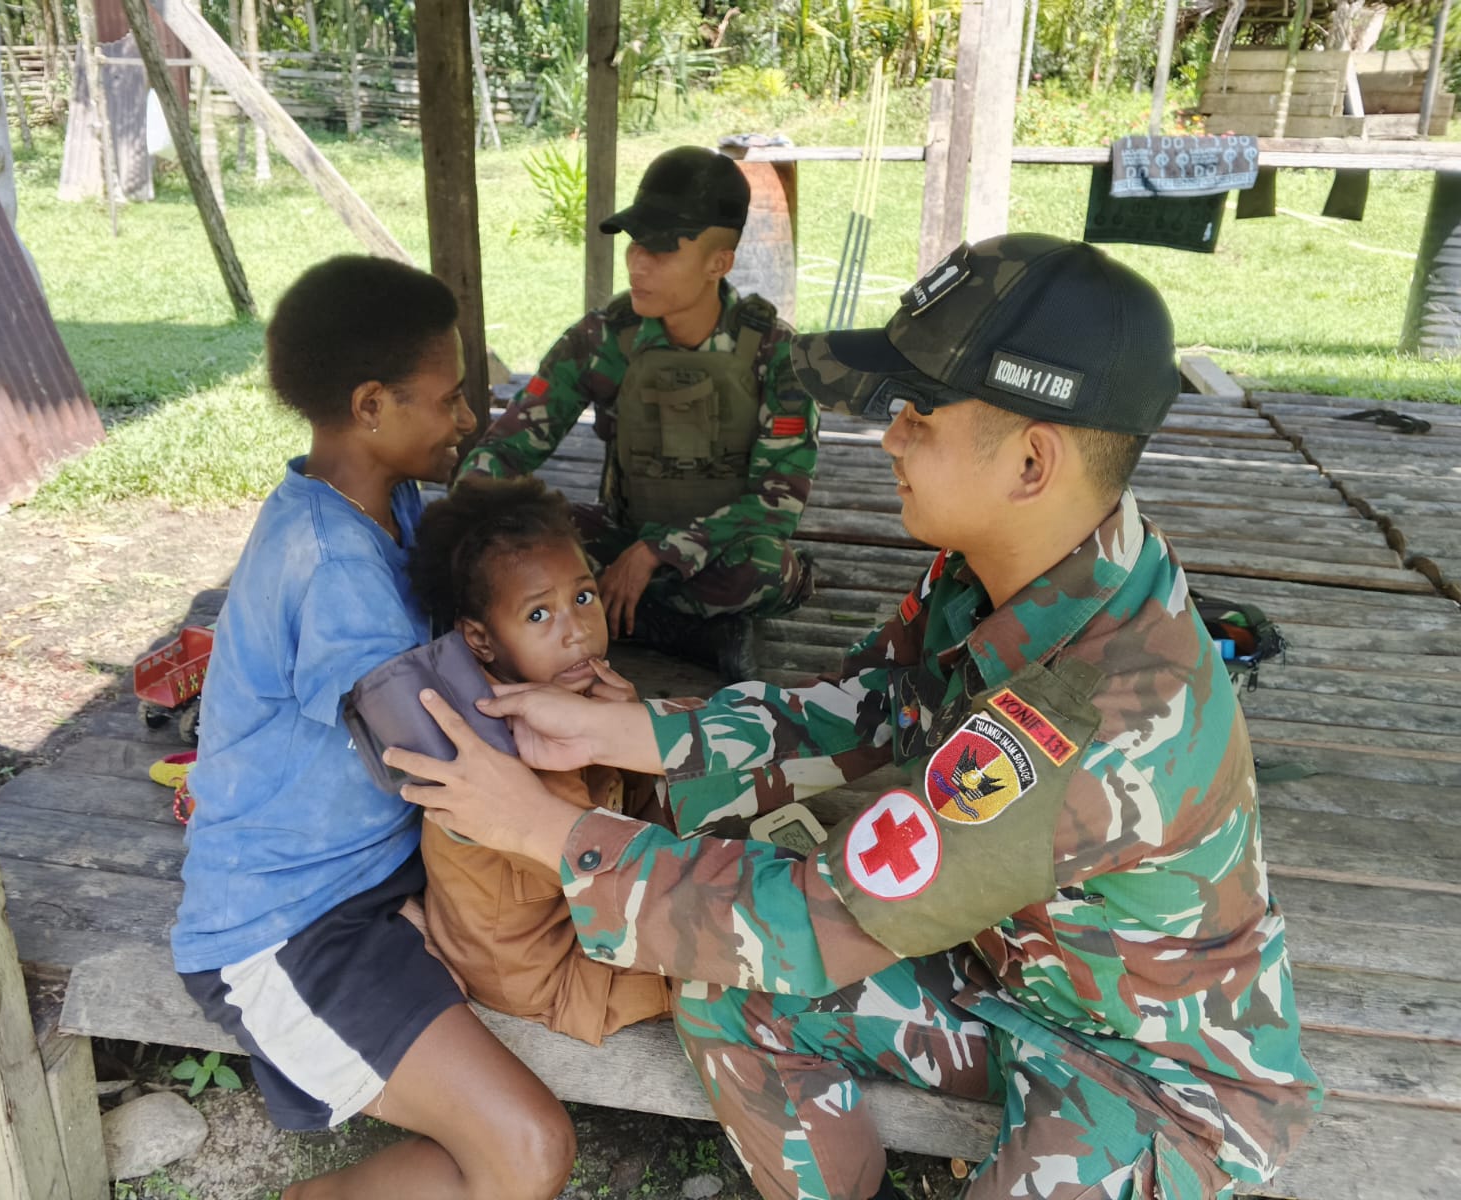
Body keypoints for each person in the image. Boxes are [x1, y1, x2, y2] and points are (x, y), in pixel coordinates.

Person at [384, 234, 1324, 1200]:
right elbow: (871, 704)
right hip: (1007, 976)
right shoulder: (1011, 569)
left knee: (762, 938)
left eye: (918, 415)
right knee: (731, 988)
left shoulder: (1100, 712)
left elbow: (822, 916)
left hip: (1147, 1069)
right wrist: (635, 734)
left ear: (1031, 462)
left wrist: (544, 830)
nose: (890, 439)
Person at [170, 257, 574, 1200]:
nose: (468, 417)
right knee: (526, 1152)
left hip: (372, 875)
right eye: (450, 397)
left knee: (515, 1150)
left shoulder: (383, 503)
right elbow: (450, 768)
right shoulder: (332, 563)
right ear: (370, 406)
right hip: (288, 924)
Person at [457, 145, 820, 684]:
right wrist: (466, 520)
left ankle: (618, 612)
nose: (637, 264)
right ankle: (678, 628)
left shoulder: (775, 352)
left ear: (719, 263)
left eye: (662, 250)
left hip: (721, 550)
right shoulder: (604, 338)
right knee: (536, 536)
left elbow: (778, 503)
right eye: (635, 244)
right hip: (619, 535)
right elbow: (507, 447)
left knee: (767, 569)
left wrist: (658, 552)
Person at [408, 475, 673, 1045]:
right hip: (551, 972)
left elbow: (634, 806)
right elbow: (612, 877)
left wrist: (627, 728)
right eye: (538, 615)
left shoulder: (565, 691)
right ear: (480, 639)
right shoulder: (504, 746)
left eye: (583, 597)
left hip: (583, 917)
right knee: (725, 972)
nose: (576, 631)